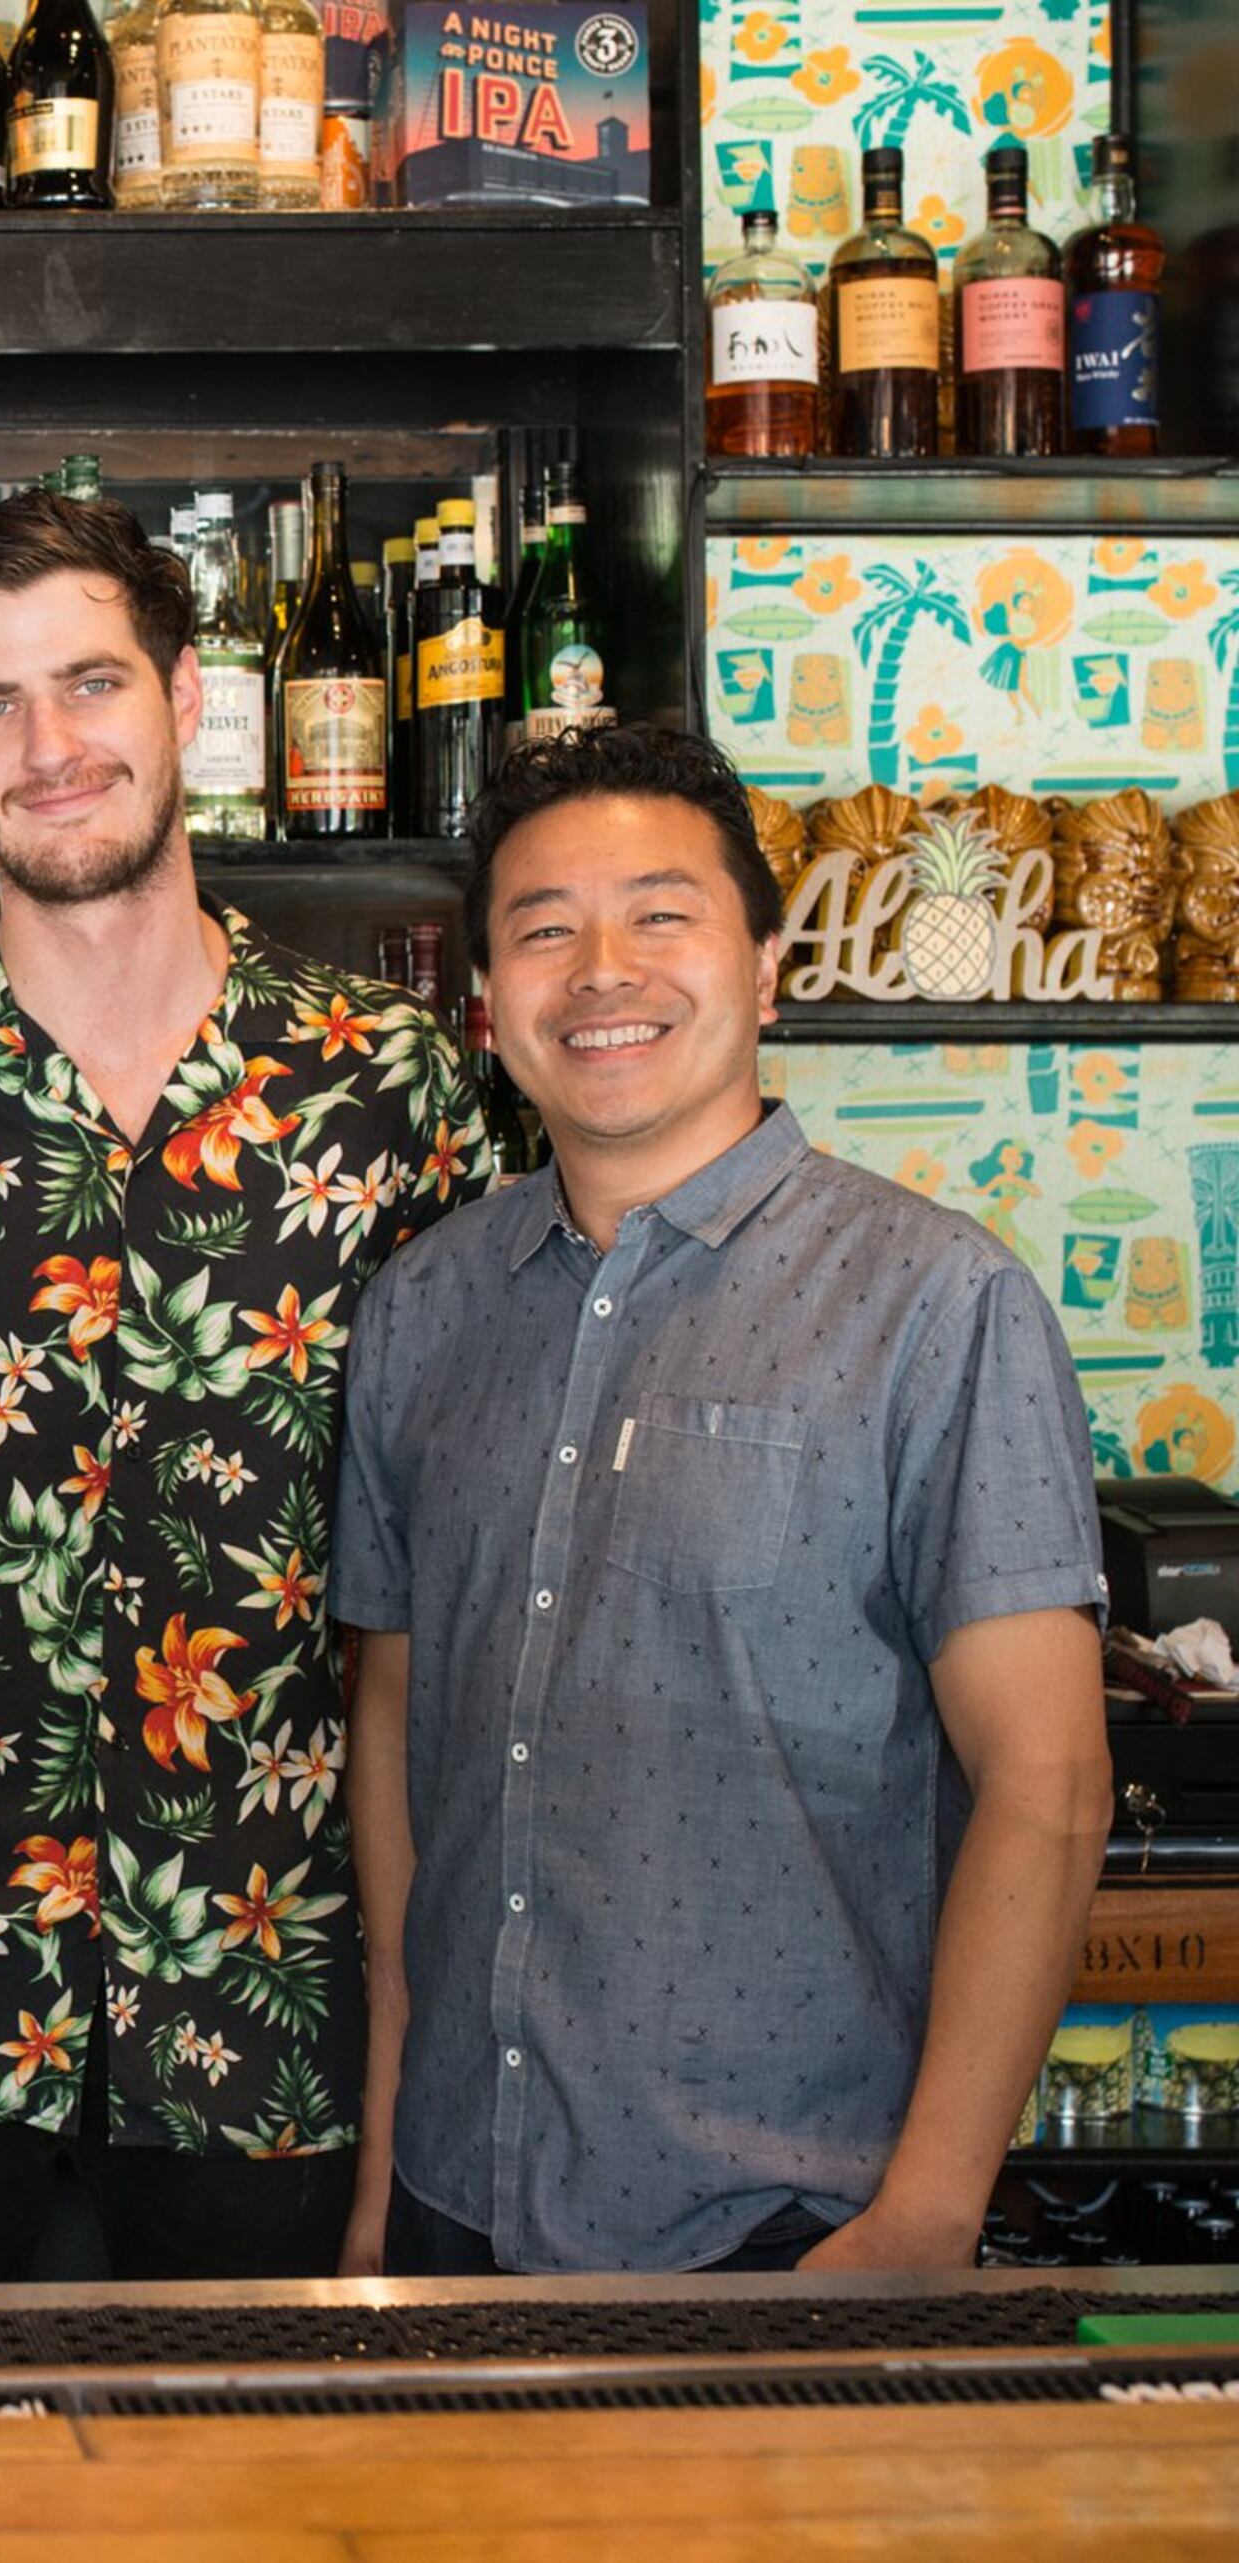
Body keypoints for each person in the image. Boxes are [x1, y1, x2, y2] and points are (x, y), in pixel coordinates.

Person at [0, 491, 490, 2284]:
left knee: (259, 2515)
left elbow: (444, 1546)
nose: (50, 746)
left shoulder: (380, 1084)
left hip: (274, 1975)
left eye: (91, 684)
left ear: (181, 700)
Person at [334, 725, 1112, 2277]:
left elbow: (1051, 1782)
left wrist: (930, 2215)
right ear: (489, 1005)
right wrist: (379, 2179)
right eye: (543, 929)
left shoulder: (936, 1304)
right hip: (454, 2203)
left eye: (660, 915)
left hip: (788, 2228)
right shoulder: (423, 1311)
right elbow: (398, 1742)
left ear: (766, 965)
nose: (601, 970)